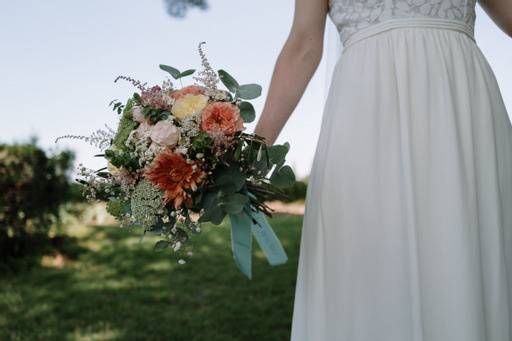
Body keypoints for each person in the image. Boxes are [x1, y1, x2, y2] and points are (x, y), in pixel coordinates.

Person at [253, 0, 512, 339]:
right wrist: (251, 152)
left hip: (459, 105)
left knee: (461, 240)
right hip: (366, 110)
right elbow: (303, 45)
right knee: (370, 258)